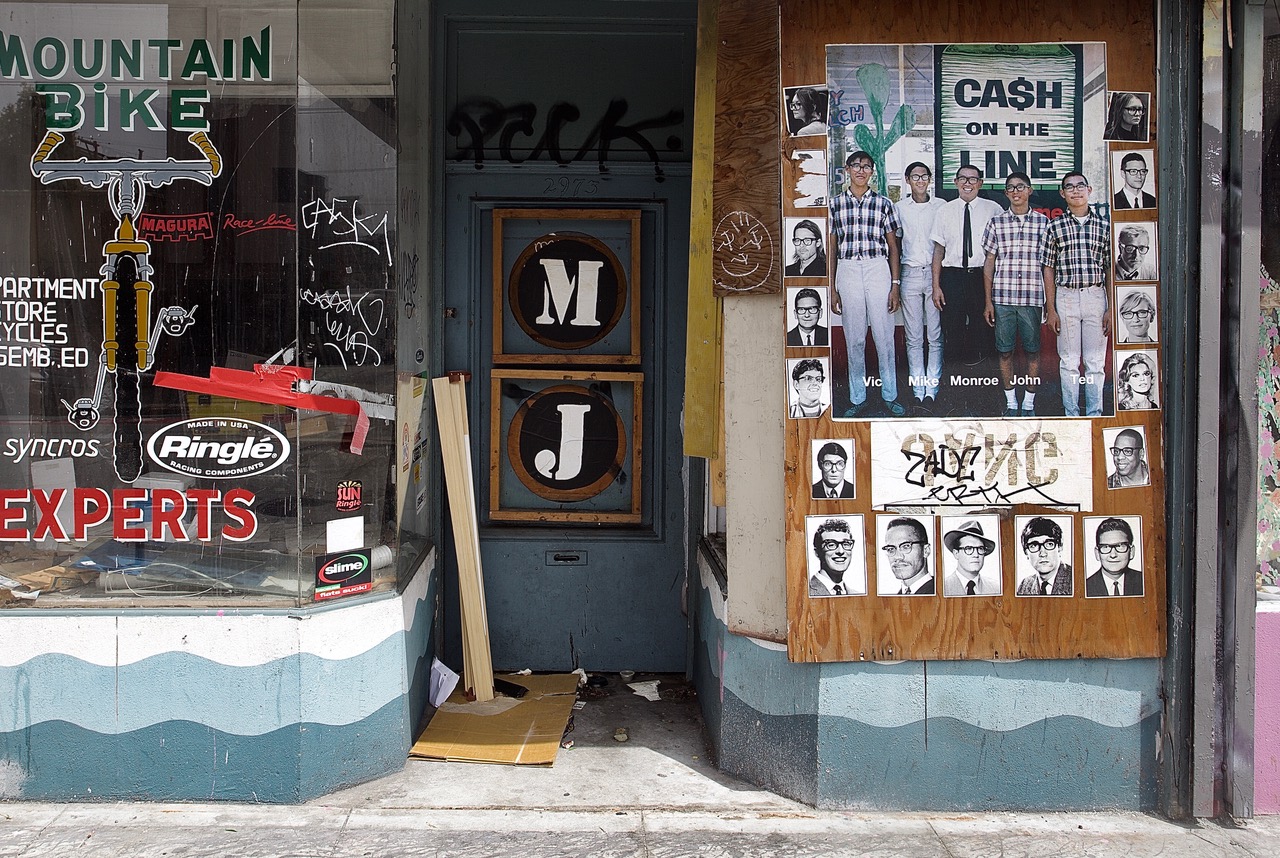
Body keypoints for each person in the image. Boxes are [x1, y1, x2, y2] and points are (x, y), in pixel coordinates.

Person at [830, 150, 904, 417]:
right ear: (847, 170)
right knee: (855, 337)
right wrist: (832, 288)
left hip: (877, 267)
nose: (861, 170)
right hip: (848, 269)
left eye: (866, 167)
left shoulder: (884, 204)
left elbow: (893, 246)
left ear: (873, 171)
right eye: (856, 166)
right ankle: (857, 397)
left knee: (884, 336)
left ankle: (890, 396)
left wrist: (895, 284)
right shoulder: (835, 204)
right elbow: (833, 246)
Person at [931, 164, 1003, 412]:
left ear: (980, 183)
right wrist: (936, 286)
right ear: (955, 182)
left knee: (983, 333)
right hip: (952, 277)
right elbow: (938, 251)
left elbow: (998, 252)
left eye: (973, 179)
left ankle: (984, 394)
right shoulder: (944, 211)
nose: (968, 183)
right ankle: (953, 395)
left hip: (980, 278)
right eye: (963, 178)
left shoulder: (993, 209)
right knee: (953, 334)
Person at [1041, 172, 1112, 417]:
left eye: (1080, 185)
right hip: (1066, 297)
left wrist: (1110, 308)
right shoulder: (1055, 226)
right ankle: (1071, 413)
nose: (1075, 190)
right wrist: (1051, 309)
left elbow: (1109, 267)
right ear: (1063, 194)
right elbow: (1048, 268)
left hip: (1095, 296)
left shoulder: (1104, 226)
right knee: (1069, 362)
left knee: (1095, 363)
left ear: (1089, 190)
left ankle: (1095, 413)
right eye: (1069, 187)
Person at [981, 172, 1052, 417]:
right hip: (1003, 299)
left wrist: (1048, 305)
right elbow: (989, 263)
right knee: (1005, 351)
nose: (1015, 191)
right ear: (1006, 193)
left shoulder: (1044, 224)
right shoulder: (996, 223)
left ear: (1029, 190)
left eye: (1020, 187)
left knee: (1033, 351)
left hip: (1032, 299)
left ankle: (1029, 404)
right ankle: (1011, 403)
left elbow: (1048, 267)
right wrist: (988, 300)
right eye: (1010, 188)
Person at [895, 161, 947, 410]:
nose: (920, 180)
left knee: (934, 335)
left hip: (935, 274)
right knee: (914, 337)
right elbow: (894, 243)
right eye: (915, 176)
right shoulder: (899, 208)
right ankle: (917, 391)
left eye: (924, 176)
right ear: (907, 179)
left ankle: (932, 391)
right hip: (910, 274)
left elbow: (943, 243)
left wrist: (937, 281)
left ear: (930, 179)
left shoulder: (941, 207)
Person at [1086, 518, 1144, 597]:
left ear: (1131, 551)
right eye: (1105, 547)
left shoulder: (1144, 582)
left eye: (1120, 546)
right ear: (1097, 553)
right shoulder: (1086, 587)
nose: (1113, 555)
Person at [1015, 517, 1073, 596]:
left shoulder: (1075, 579)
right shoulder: (1024, 586)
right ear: (1026, 552)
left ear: (1060, 547)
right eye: (1034, 545)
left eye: (1049, 544)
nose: (1042, 554)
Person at [942, 519, 999, 596]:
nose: (976, 554)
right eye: (968, 548)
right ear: (956, 553)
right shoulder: (942, 588)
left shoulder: (995, 588)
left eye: (980, 548)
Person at [880, 517, 935, 595]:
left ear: (926, 550)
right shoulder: (896, 597)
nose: (897, 556)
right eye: (891, 549)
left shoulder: (940, 591)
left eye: (906, 546)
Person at [809, 518, 862, 596]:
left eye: (846, 544)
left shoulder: (857, 595)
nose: (840, 551)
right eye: (831, 545)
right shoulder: (805, 592)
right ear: (817, 552)